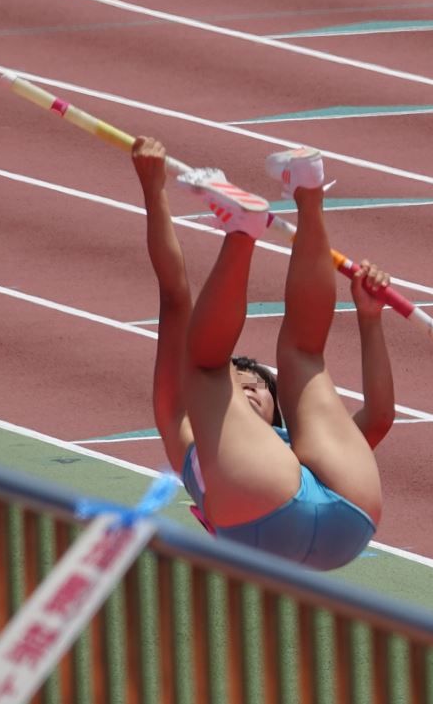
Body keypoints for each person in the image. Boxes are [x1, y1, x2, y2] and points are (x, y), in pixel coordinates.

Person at [132, 136, 395, 571]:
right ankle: (304, 195)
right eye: (241, 383)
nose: (249, 388)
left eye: (255, 385)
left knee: (205, 366)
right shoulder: (198, 429)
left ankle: (267, 214)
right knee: (302, 355)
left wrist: (153, 189)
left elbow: (175, 296)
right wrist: (370, 318)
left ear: (276, 406)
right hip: (348, 515)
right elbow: (382, 416)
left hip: (309, 519)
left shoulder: (184, 432)